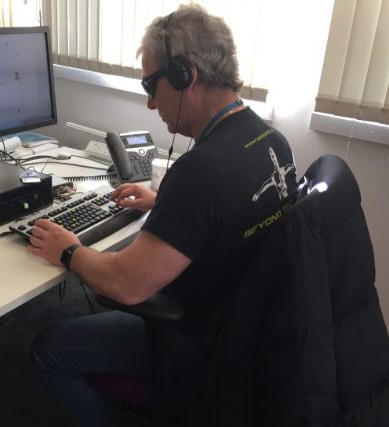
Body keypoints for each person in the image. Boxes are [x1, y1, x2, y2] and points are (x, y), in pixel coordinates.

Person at [29, 4, 297, 425]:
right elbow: (234, 207)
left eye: (151, 85)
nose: (152, 103)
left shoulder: (200, 174)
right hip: (248, 333)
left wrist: (69, 251)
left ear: (183, 75)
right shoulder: (269, 139)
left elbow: (127, 284)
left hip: (198, 340)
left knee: (47, 348)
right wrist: (163, 200)